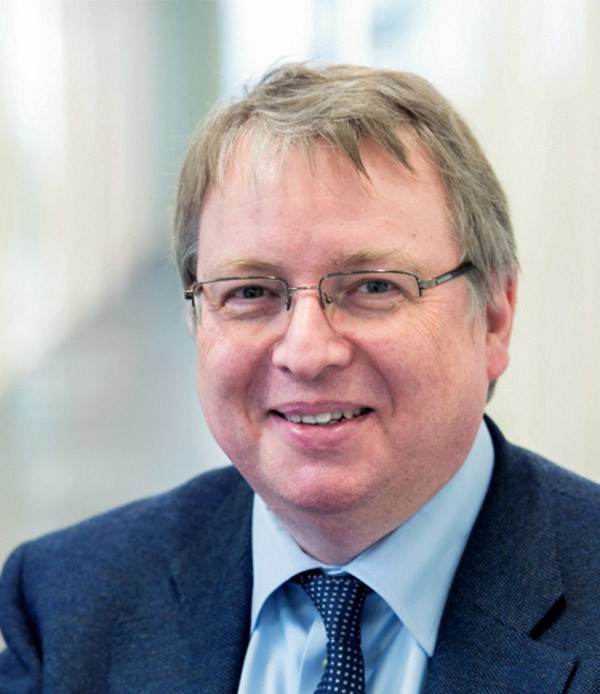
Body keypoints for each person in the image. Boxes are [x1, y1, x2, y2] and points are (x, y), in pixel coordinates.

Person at [1, 62, 599, 694]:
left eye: (374, 286)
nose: (307, 353)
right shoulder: (70, 608)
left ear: (495, 318)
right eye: (250, 292)